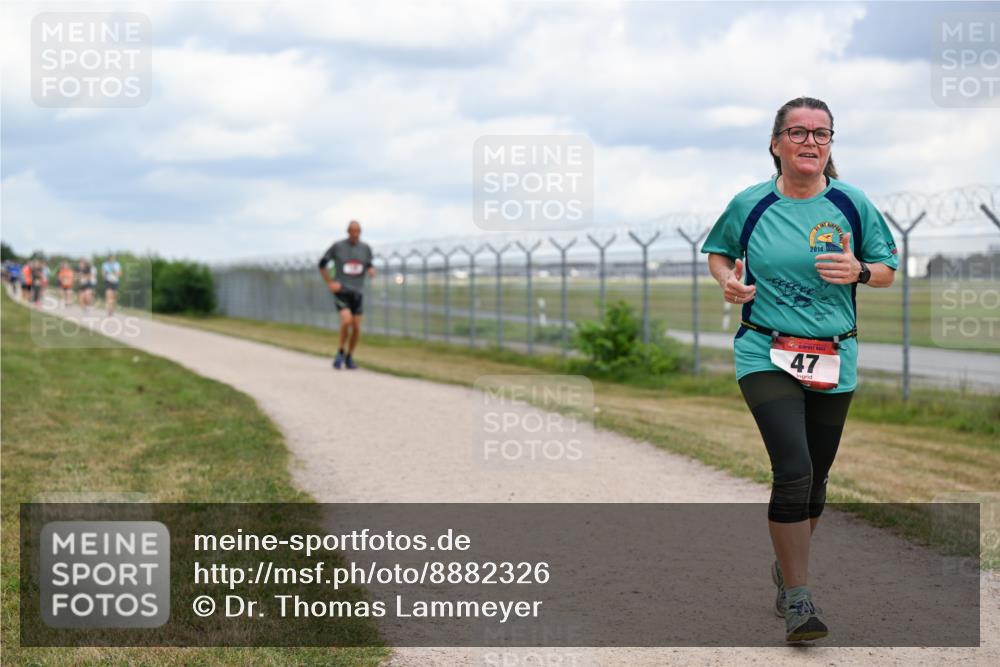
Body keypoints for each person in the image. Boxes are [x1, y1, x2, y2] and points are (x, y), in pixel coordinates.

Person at [701, 97, 897, 643]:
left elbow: (888, 271)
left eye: (821, 133)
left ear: (830, 145)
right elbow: (717, 251)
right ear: (776, 142)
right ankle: (800, 599)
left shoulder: (853, 204)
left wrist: (861, 270)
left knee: (817, 481)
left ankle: (787, 571)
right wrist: (728, 281)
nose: (810, 141)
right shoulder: (750, 203)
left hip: (835, 355)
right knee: (793, 468)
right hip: (765, 350)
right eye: (798, 132)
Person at [318, 220, 375, 369]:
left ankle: (350, 356)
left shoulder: (366, 248)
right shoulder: (338, 247)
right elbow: (322, 264)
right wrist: (330, 282)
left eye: (358, 231)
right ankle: (340, 352)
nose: (355, 234)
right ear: (348, 232)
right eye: (352, 231)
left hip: (357, 292)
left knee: (356, 327)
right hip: (341, 290)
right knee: (346, 321)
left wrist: (371, 270)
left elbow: (368, 264)